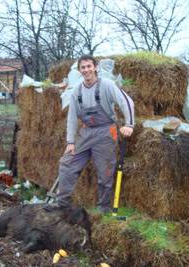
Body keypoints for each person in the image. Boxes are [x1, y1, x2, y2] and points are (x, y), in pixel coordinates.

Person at [48, 55, 135, 214]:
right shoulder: (77, 91)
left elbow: (126, 101)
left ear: (95, 67)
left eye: (89, 66)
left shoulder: (107, 85)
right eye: (83, 67)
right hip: (86, 132)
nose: (86, 70)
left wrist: (129, 124)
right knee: (67, 163)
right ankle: (62, 203)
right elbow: (72, 118)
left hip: (106, 131)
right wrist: (70, 142)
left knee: (105, 172)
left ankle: (103, 208)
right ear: (79, 70)